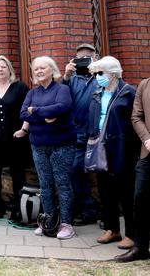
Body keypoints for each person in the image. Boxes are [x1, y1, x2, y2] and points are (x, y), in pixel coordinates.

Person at [85, 56, 138, 249]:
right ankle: (112, 229)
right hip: (101, 147)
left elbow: (136, 121)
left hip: (122, 149)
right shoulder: (97, 93)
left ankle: (132, 234)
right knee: (105, 190)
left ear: (113, 73)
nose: (97, 77)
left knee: (126, 192)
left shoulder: (128, 93)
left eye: (100, 73)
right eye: (96, 73)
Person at [21, 56, 75, 240]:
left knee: (62, 184)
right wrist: (45, 115)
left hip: (61, 146)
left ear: (52, 70)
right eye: (36, 69)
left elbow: (62, 107)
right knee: (45, 185)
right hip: (38, 146)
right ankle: (49, 223)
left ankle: (67, 224)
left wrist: (35, 111)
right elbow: (23, 113)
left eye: (42, 68)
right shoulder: (32, 93)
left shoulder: (62, 89)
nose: (39, 71)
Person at [0, 55, 30, 221]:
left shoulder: (20, 87)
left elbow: (27, 110)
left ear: (9, 68)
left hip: (15, 138)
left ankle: (18, 209)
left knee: (17, 174)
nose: (0, 69)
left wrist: (24, 129)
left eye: (3, 66)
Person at [63, 43, 100, 226]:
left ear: (96, 58)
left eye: (88, 57)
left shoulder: (101, 77)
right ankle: (87, 210)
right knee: (76, 170)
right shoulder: (72, 79)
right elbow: (61, 97)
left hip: (97, 133)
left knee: (102, 171)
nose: (84, 61)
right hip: (77, 133)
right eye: (80, 58)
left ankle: (101, 210)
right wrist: (66, 76)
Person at [115, 75, 150, 262]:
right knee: (140, 198)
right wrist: (147, 138)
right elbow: (136, 116)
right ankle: (141, 248)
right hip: (147, 152)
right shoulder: (144, 84)